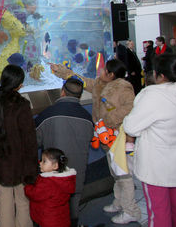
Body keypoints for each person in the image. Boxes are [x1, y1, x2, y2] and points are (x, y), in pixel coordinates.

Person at [49, 59, 141, 224]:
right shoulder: (99, 84)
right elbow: (81, 80)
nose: (101, 71)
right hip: (106, 137)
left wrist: (109, 119)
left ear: (112, 74)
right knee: (116, 173)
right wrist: (60, 70)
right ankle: (119, 202)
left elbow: (131, 107)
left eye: (104, 70)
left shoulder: (124, 88)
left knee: (124, 174)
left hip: (119, 137)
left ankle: (131, 210)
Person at [123, 54, 176, 227]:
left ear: (160, 75)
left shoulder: (153, 95)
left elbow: (131, 127)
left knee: (159, 210)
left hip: (157, 167)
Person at [0, 64, 38, 227]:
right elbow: (29, 140)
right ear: (19, 84)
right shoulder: (21, 105)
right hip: (20, 164)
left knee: (4, 204)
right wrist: (32, 168)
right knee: (23, 203)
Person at [34, 76, 93, 227]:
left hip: (53, 178)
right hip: (76, 175)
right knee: (73, 210)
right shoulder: (87, 118)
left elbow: (35, 140)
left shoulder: (47, 114)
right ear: (79, 95)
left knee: (53, 211)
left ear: (62, 92)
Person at [25, 148, 76, 227]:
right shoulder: (64, 180)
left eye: (44, 161)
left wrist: (28, 187)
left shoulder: (48, 182)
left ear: (55, 166)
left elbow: (35, 194)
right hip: (62, 219)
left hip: (48, 220)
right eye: (41, 160)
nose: (40, 163)